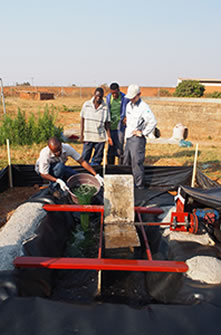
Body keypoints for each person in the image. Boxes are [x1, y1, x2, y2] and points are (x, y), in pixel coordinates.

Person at [35, 136, 104, 192]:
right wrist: (58, 180)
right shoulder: (44, 154)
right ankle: (55, 188)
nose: (57, 153)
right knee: (60, 167)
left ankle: (61, 180)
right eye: (55, 152)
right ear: (50, 149)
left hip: (59, 167)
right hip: (44, 170)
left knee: (76, 177)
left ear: (61, 145)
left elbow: (82, 161)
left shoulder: (67, 148)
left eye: (59, 150)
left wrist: (96, 175)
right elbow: (43, 174)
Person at [123, 84, 157, 189]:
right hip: (128, 137)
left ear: (139, 95)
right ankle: (127, 184)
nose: (131, 99)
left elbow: (152, 122)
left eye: (133, 97)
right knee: (126, 161)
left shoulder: (144, 107)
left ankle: (139, 186)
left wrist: (142, 132)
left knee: (136, 162)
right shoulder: (129, 105)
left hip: (137, 140)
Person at [80, 87, 112, 166]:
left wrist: (109, 137)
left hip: (100, 137)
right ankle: (85, 174)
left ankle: (95, 174)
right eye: (97, 96)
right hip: (88, 136)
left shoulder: (105, 107)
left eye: (100, 97)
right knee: (85, 157)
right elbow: (82, 119)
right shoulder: (86, 105)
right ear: (94, 95)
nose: (98, 98)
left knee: (97, 159)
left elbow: (107, 123)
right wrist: (81, 135)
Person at [106, 82, 129, 164]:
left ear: (119, 90)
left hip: (120, 127)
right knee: (111, 146)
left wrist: (126, 117)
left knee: (119, 146)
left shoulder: (124, 98)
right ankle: (110, 165)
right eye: (112, 93)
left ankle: (120, 165)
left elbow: (128, 110)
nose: (114, 95)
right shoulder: (108, 98)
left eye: (115, 93)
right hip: (111, 126)